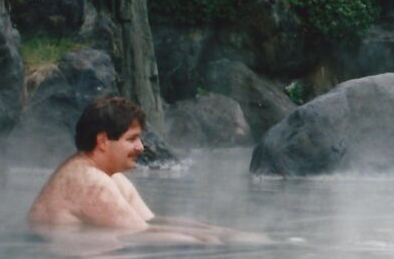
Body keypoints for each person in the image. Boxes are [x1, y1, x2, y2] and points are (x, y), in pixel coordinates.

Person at [28, 95, 265, 245]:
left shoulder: (108, 175)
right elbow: (142, 236)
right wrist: (215, 244)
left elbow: (150, 222)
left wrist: (227, 233)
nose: (141, 147)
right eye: (132, 139)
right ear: (102, 141)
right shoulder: (87, 181)